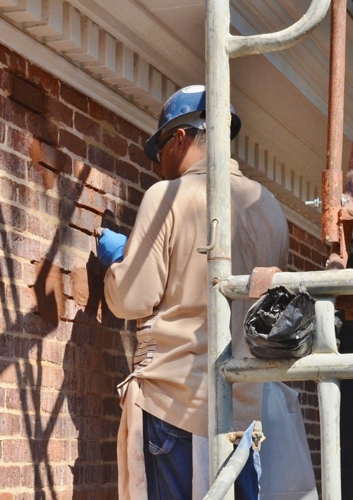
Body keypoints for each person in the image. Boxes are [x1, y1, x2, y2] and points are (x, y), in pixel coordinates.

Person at [97, 85, 317, 499]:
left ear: (178, 139)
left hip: (175, 406)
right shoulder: (269, 207)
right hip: (242, 414)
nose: (161, 162)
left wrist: (117, 264)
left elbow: (131, 299)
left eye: (161, 148)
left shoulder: (168, 196)